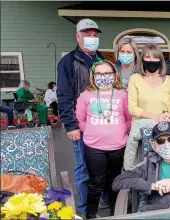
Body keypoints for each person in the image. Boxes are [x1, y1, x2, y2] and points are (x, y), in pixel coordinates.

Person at [57, 18, 107, 214]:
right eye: (87, 35)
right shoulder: (68, 62)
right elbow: (64, 95)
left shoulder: (102, 60)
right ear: (78, 37)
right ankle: (85, 209)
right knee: (84, 169)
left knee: (103, 167)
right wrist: (71, 125)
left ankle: (105, 204)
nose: (92, 38)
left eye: (95, 35)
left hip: (103, 125)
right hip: (82, 126)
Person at [76, 60, 131, 219]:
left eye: (107, 73)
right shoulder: (86, 95)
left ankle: (115, 213)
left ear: (114, 76)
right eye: (99, 74)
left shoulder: (122, 95)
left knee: (113, 182)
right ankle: (91, 215)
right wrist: (94, 132)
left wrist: (120, 133)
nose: (103, 77)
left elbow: (128, 118)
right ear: (93, 76)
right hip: (94, 147)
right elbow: (81, 119)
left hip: (117, 146)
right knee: (95, 183)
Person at [127, 43, 170, 122]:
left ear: (161, 60)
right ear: (142, 60)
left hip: (164, 128)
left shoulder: (169, 81)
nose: (151, 60)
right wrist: (155, 117)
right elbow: (132, 108)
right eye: (148, 57)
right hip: (141, 129)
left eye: (155, 57)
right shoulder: (134, 79)